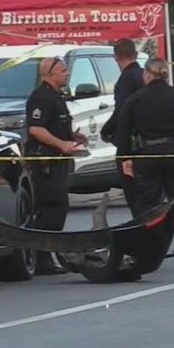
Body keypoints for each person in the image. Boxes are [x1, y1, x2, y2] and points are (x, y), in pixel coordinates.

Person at [114, 58, 174, 270]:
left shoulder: (136, 100)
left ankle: (146, 256)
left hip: (147, 157)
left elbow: (123, 132)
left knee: (147, 207)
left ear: (147, 75)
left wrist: (125, 158)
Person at [24, 56, 88, 275]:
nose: (67, 74)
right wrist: (62, 144)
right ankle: (42, 256)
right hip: (45, 164)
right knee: (53, 207)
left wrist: (73, 137)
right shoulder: (41, 97)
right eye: (63, 70)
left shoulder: (56, 98)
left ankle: (44, 256)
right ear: (50, 74)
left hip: (58, 162)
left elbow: (54, 126)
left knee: (53, 209)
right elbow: (36, 129)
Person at [98, 38, 145, 215]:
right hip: (148, 144)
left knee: (134, 196)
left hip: (131, 146)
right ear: (136, 54)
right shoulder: (144, 76)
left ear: (116, 57)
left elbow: (122, 112)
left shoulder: (125, 80)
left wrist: (107, 130)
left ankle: (141, 232)